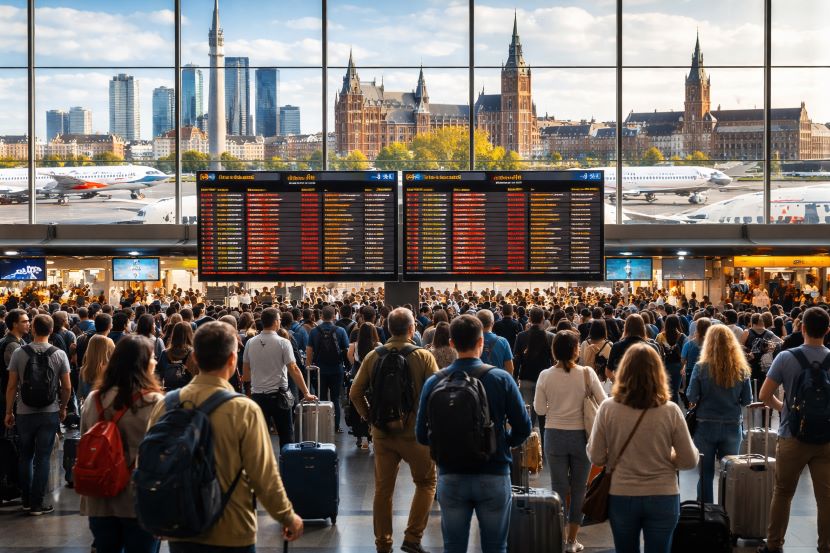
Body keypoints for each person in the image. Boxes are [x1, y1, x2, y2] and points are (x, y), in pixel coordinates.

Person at [145, 321, 304, 551]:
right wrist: (287, 517)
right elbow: (263, 474)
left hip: (183, 526)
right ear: (232, 360)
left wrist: (159, 511)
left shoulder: (166, 405)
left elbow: (150, 462)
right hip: (233, 528)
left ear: (195, 359)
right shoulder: (243, 410)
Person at [415, 314, 531, 553]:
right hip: (494, 471)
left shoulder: (434, 382)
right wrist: (502, 442)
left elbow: (421, 435)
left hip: (451, 474)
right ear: (481, 342)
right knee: (496, 546)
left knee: (453, 546)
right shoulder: (501, 379)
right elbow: (524, 427)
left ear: (452, 343)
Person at [587, 343, 698, 553]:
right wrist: (667, 456)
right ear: (658, 373)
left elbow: (596, 456)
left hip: (622, 493)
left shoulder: (608, 409)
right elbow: (689, 460)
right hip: (663, 494)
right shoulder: (670, 411)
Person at [349, 308, 439, 553]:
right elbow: (436, 394)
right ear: (412, 329)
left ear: (388, 329)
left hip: (383, 434)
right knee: (426, 482)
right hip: (416, 435)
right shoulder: (423, 356)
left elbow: (354, 393)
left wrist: (370, 417)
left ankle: (383, 543)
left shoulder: (373, 356)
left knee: (383, 490)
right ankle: (412, 538)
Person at [80, 335, 164, 553]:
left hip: (100, 498)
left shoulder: (94, 399)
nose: (155, 362)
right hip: (139, 499)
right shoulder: (154, 402)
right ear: (143, 363)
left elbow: (85, 439)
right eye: (152, 358)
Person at [757, 306, 830, 553]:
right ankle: (825, 546)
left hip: (792, 436)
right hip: (826, 440)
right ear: (827, 331)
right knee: (826, 499)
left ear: (801, 328)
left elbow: (764, 395)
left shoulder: (786, 358)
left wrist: (784, 409)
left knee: (783, 493)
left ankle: (774, 545)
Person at [534, 330, 606, 553]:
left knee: (558, 488)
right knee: (579, 488)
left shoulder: (545, 375)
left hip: (554, 435)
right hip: (581, 438)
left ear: (554, 350)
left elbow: (538, 409)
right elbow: (603, 402)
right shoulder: (587, 374)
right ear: (576, 350)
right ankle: (572, 540)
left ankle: (558, 535)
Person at [4, 313, 72, 515]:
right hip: (49, 412)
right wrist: (63, 408)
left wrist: (9, 411)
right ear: (51, 330)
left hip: (24, 412)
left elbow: (11, 386)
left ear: (33, 329)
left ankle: (25, 500)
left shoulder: (19, 353)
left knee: (25, 456)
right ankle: (37, 503)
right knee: (42, 458)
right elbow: (66, 387)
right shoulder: (59, 354)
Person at [685, 325, 752, 503]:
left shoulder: (701, 367)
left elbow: (691, 395)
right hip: (732, 425)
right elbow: (747, 400)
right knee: (730, 474)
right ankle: (726, 514)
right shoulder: (741, 369)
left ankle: (706, 514)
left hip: (705, 424)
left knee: (705, 473)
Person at [242, 308, 317, 449]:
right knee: (286, 435)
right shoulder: (283, 342)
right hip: (280, 397)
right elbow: (294, 369)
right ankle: (286, 467)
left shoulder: (250, 343)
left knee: (259, 438)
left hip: (257, 396)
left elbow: (246, 375)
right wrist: (306, 392)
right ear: (276, 322)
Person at [306, 306, 350, 432]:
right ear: (334, 316)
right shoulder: (340, 331)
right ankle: (336, 426)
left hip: (320, 370)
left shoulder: (314, 331)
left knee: (322, 397)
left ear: (321, 316)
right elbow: (346, 350)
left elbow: (309, 351)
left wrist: (309, 366)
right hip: (337, 369)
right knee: (335, 398)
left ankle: (323, 425)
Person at [513, 307, 554, 430]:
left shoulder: (521, 336)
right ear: (543, 319)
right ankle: (543, 441)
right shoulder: (550, 337)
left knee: (528, 412)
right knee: (543, 413)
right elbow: (553, 360)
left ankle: (528, 443)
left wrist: (515, 377)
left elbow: (517, 359)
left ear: (529, 319)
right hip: (545, 379)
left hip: (526, 377)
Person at [1, 309, 30, 417]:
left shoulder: (17, 341)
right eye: (24, 321)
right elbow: (14, 374)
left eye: (28, 321)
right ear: (15, 324)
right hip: (8, 394)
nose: (28, 324)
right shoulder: (12, 345)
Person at [156, 321, 198, 391]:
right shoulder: (193, 353)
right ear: (190, 334)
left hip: (169, 392)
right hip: (187, 392)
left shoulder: (165, 353)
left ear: (174, 334)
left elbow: (159, 374)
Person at [656, 314, 688, 404]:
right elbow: (685, 354)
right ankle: (674, 411)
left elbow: (656, 351)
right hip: (678, 367)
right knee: (675, 392)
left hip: (663, 366)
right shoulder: (682, 337)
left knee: (664, 391)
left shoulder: (660, 336)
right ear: (678, 324)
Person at [578, 319, 612, 395]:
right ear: (604, 330)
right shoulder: (609, 345)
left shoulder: (584, 343)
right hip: (603, 379)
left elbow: (581, 362)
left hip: (587, 378)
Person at [476, 309, 514, 375]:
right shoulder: (503, 341)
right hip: (497, 381)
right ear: (492, 323)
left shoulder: (470, 340)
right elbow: (510, 368)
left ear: (477, 323)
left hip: (475, 383)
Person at [78, 334, 115, 401]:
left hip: (90, 408)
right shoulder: (112, 371)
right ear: (106, 351)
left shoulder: (83, 370)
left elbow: (80, 395)